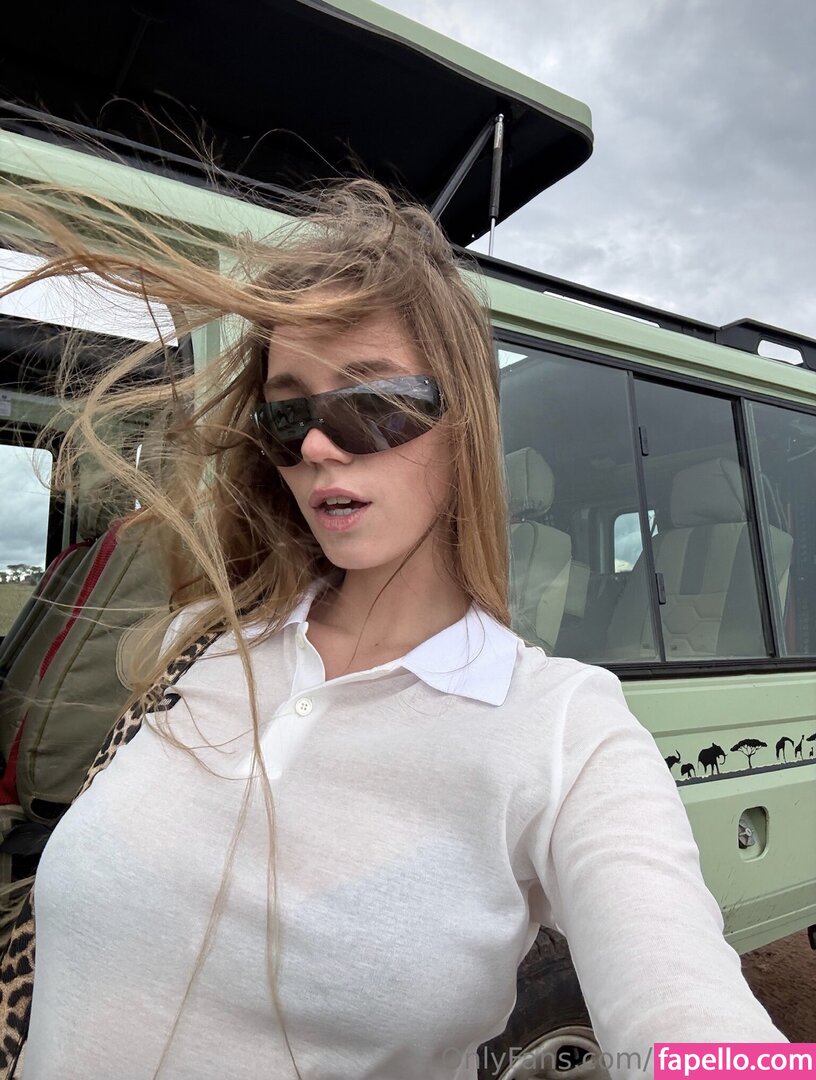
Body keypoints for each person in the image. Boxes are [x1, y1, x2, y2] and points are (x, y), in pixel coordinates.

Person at [0, 177, 788, 1080]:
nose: (317, 445)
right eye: (288, 413)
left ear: (466, 423)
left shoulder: (566, 730)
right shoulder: (199, 641)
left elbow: (690, 1019)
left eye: (372, 402)